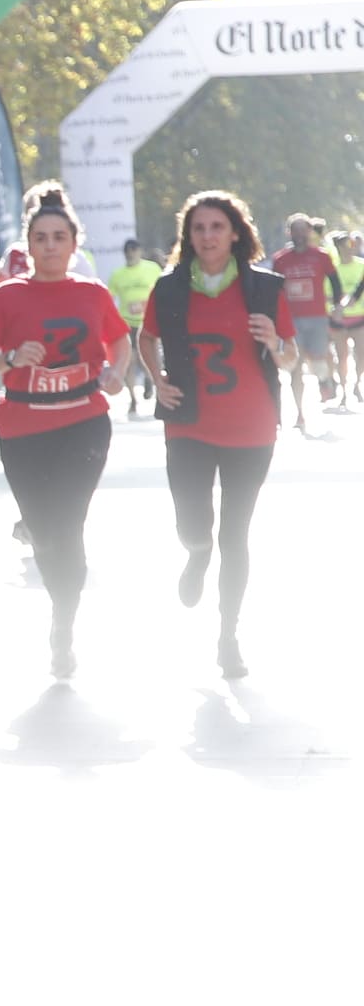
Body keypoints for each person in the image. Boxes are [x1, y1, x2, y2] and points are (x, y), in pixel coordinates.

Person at [0, 184, 130, 680]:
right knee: (44, 532)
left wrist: (118, 371)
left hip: (83, 422)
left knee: (68, 524)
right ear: (29, 244)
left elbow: (119, 338)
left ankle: (64, 623)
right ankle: (60, 601)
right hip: (24, 426)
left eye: (60, 237)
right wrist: (13, 359)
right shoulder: (4, 297)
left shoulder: (92, 292)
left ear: (74, 243)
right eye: (42, 237)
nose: (52, 246)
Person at [139, 192, 283, 681]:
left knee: (235, 534)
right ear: (188, 235)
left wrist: (275, 342)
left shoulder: (263, 287)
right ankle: (195, 554)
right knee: (193, 524)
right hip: (189, 422)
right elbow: (146, 336)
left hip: (252, 425)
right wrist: (157, 380)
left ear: (236, 233)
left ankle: (228, 637)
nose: (207, 237)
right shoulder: (171, 286)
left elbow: (289, 357)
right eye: (198, 229)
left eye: (217, 227)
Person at [270, 213, 340, 431]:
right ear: (289, 232)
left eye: (303, 230)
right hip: (291, 319)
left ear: (309, 232)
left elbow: (335, 282)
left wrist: (337, 306)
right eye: (295, 230)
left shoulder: (321, 256)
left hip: (317, 316)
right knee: (295, 365)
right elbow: (273, 289)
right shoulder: (281, 259)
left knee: (318, 359)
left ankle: (324, 380)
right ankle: (300, 413)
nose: (299, 235)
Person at [108, 236, 164, 418]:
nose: (131, 256)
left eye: (134, 252)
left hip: (149, 321)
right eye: (128, 254)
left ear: (140, 252)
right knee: (129, 361)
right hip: (127, 322)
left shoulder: (152, 269)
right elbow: (110, 298)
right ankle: (133, 398)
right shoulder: (118, 274)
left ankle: (151, 381)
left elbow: (162, 290)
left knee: (147, 357)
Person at [328, 231, 364, 413]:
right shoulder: (332, 269)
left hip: (360, 318)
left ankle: (357, 383)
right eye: (345, 246)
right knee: (341, 357)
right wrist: (335, 310)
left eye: (352, 245)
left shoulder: (361, 266)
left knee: (361, 355)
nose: (350, 249)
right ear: (338, 248)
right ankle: (343, 391)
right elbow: (327, 295)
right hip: (338, 320)